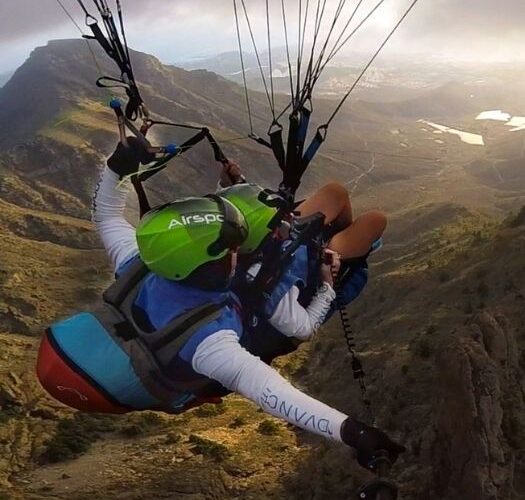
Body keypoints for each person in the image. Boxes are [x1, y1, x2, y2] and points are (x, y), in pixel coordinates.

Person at [38, 138, 405, 470]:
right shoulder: (209, 342)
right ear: (209, 271)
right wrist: (351, 431)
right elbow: (272, 392)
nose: (235, 250)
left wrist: (117, 167)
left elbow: (105, 214)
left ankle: (340, 239)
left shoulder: (141, 262)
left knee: (336, 192)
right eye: (231, 249)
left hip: (272, 264)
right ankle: (348, 254)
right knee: (375, 221)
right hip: (290, 294)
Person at [218, 161, 385, 362]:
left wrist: (228, 187)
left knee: (336, 192)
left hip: (280, 246)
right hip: (301, 276)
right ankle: (353, 245)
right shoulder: (277, 304)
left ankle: (347, 238)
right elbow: (305, 329)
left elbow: (221, 224)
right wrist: (327, 285)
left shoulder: (218, 256)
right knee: (376, 220)